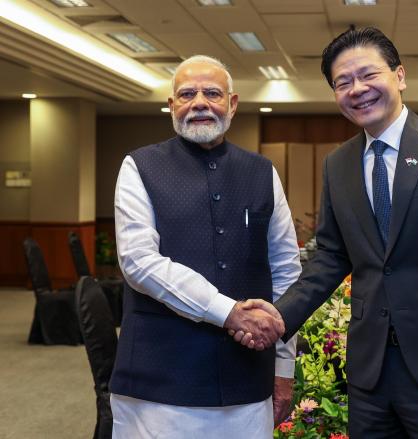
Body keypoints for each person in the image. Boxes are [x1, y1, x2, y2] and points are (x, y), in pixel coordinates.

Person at [237, 28, 418, 438]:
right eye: (342, 82)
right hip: (370, 371)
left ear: (399, 76)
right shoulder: (338, 164)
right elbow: (331, 255)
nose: (357, 89)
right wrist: (280, 315)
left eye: (368, 75)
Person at [109, 55, 301, 438]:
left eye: (212, 93)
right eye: (187, 94)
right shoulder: (138, 167)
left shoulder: (262, 173)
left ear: (232, 104)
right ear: (171, 106)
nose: (199, 102)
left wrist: (283, 369)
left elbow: (286, 272)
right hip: (158, 386)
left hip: (247, 381)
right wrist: (228, 311)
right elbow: (139, 262)